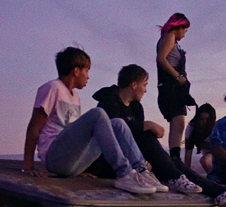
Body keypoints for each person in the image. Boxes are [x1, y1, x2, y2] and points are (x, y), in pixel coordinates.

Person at [92, 64, 226, 207]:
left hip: (137, 163)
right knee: (147, 136)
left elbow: (133, 139)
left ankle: (219, 191)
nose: (146, 89)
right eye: (144, 85)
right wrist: (147, 125)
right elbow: (115, 133)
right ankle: (177, 178)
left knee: (173, 161)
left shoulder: (136, 107)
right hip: (114, 164)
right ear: (134, 85)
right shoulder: (108, 102)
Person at [22, 47, 162, 194]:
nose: (88, 76)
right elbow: (34, 128)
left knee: (117, 123)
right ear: (76, 71)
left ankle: (141, 171)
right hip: (54, 158)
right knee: (98, 114)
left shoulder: (75, 96)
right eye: (86, 71)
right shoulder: (52, 88)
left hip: (70, 164)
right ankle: (124, 173)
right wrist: (28, 165)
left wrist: (79, 169)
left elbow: (77, 138)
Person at [156, 12, 196, 162]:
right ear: (178, 26)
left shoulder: (174, 41)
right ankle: (175, 159)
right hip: (169, 87)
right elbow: (161, 58)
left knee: (178, 121)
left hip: (173, 88)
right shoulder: (170, 35)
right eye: (185, 30)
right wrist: (178, 76)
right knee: (178, 120)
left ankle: (175, 157)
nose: (185, 34)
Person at [184, 103, 216, 172]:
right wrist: (187, 173)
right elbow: (188, 152)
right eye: (202, 119)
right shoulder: (191, 128)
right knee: (205, 161)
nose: (204, 122)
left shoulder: (217, 128)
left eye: (207, 119)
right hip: (209, 158)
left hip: (221, 155)